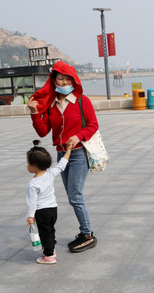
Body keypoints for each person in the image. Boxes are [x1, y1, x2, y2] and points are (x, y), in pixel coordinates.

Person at [27, 60, 98, 253]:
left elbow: (93, 125)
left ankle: (87, 234)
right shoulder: (51, 105)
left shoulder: (83, 101)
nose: (65, 83)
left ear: (74, 81)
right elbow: (43, 132)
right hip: (61, 155)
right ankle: (85, 232)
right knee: (71, 196)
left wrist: (78, 136)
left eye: (69, 79)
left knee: (75, 196)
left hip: (78, 154)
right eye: (61, 79)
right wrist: (35, 114)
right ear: (54, 80)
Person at [26, 140, 72, 264]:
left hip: (42, 212)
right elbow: (62, 164)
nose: (27, 166)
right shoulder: (50, 173)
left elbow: (32, 202)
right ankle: (51, 249)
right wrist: (68, 150)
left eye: (28, 163)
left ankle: (49, 256)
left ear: (34, 165)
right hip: (53, 210)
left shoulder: (32, 184)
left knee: (44, 233)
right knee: (50, 230)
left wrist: (30, 216)